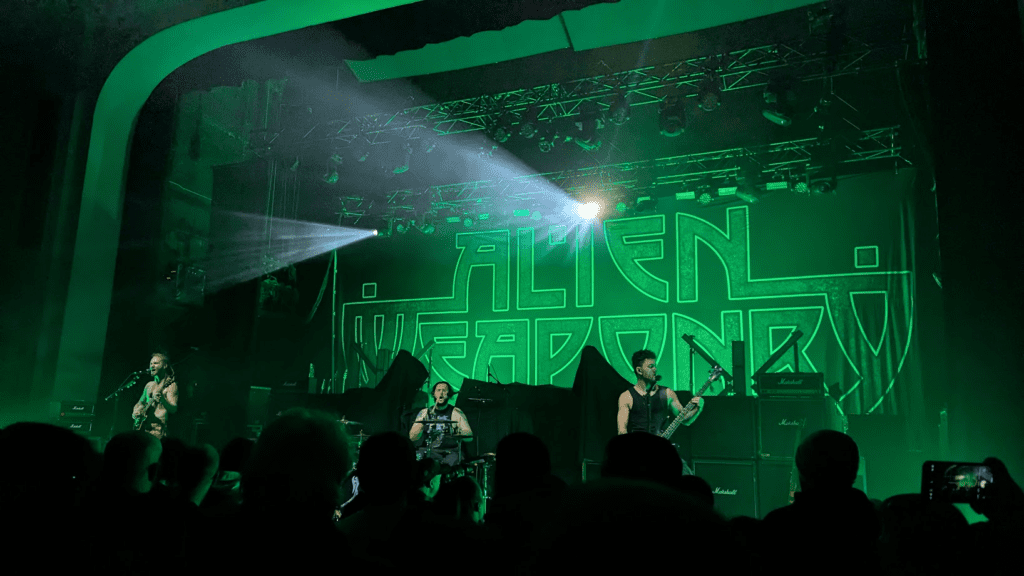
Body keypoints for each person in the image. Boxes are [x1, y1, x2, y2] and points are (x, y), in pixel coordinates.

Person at [617, 349, 703, 437]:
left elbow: (684, 419)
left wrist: (698, 408)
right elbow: (622, 431)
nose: (655, 369)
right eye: (651, 366)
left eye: (655, 366)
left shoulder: (667, 393)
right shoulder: (626, 397)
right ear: (639, 370)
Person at [409, 381, 473, 466]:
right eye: (438, 390)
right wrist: (421, 424)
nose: (441, 393)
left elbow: (469, 436)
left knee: (451, 462)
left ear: (449, 394)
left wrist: (455, 432)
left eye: (444, 390)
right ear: (434, 394)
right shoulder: (425, 412)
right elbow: (412, 437)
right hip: (430, 451)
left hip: (449, 452)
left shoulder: (456, 412)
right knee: (418, 458)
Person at [131, 353, 179, 439]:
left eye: (156, 363)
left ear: (165, 365)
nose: (152, 366)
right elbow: (140, 403)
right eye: (151, 364)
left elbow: (174, 409)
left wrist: (163, 400)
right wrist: (136, 411)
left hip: (159, 431)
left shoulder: (171, 385)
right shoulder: (149, 385)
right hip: (144, 428)